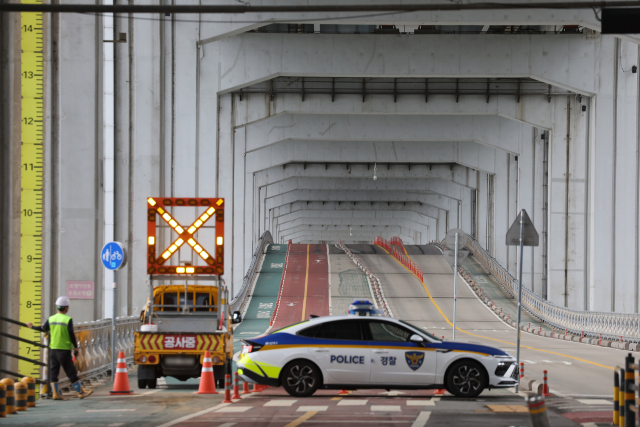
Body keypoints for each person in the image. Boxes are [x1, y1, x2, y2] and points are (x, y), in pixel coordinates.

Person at [26, 296, 93, 400]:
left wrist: (32, 326)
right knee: (71, 371)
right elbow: (71, 334)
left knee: (54, 371)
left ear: (58, 307)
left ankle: (55, 394)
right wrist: (76, 347)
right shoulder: (68, 319)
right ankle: (80, 392)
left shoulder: (51, 318)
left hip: (53, 350)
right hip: (64, 350)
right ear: (66, 308)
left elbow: (43, 328)